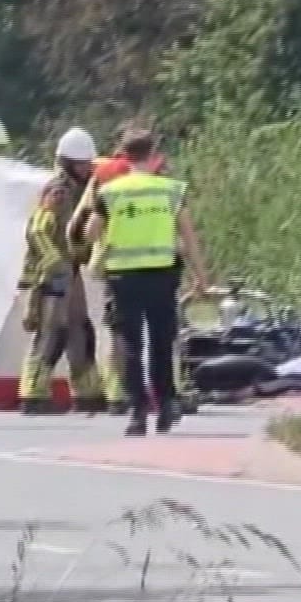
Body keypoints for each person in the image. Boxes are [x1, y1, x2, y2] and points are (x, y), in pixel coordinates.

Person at [83, 130, 208, 436]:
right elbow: (189, 238)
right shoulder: (171, 190)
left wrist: (115, 235)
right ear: (153, 154)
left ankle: (138, 411)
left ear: (124, 156)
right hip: (163, 275)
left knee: (131, 345)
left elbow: (89, 233)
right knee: (163, 341)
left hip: (124, 277)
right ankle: (166, 403)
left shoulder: (110, 192)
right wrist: (202, 278)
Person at [18, 128, 106, 414]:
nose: (87, 168)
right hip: (54, 274)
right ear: (68, 163)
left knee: (80, 330)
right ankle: (33, 394)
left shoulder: (83, 190)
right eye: (82, 164)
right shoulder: (59, 190)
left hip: (71, 270)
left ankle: (88, 391)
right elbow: (37, 230)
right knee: (51, 332)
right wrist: (55, 264)